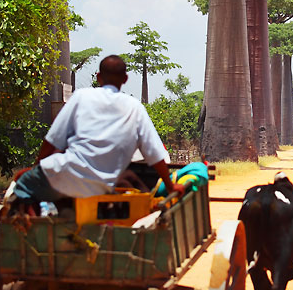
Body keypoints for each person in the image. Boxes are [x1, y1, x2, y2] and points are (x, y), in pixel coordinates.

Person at [9, 54, 184, 206]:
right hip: (103, 186)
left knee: (22, 183)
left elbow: (52, 140)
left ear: (98, 77)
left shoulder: (81, 96)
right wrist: (170, 186)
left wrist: (36, 167)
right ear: (125, 79)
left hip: (64, 176)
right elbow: (154, 154)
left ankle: (30, 214)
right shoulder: (135, 107)